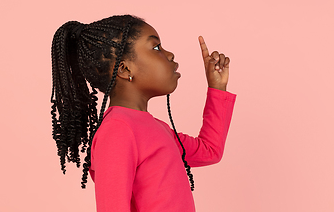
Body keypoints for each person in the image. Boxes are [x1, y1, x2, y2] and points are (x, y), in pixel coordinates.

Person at [50, 15, 236, 211]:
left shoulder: (156, 128)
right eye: (156, 48)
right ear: (124, 68)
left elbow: (209, 151)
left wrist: (217, 87)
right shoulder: (117, 130)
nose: (170, 54)